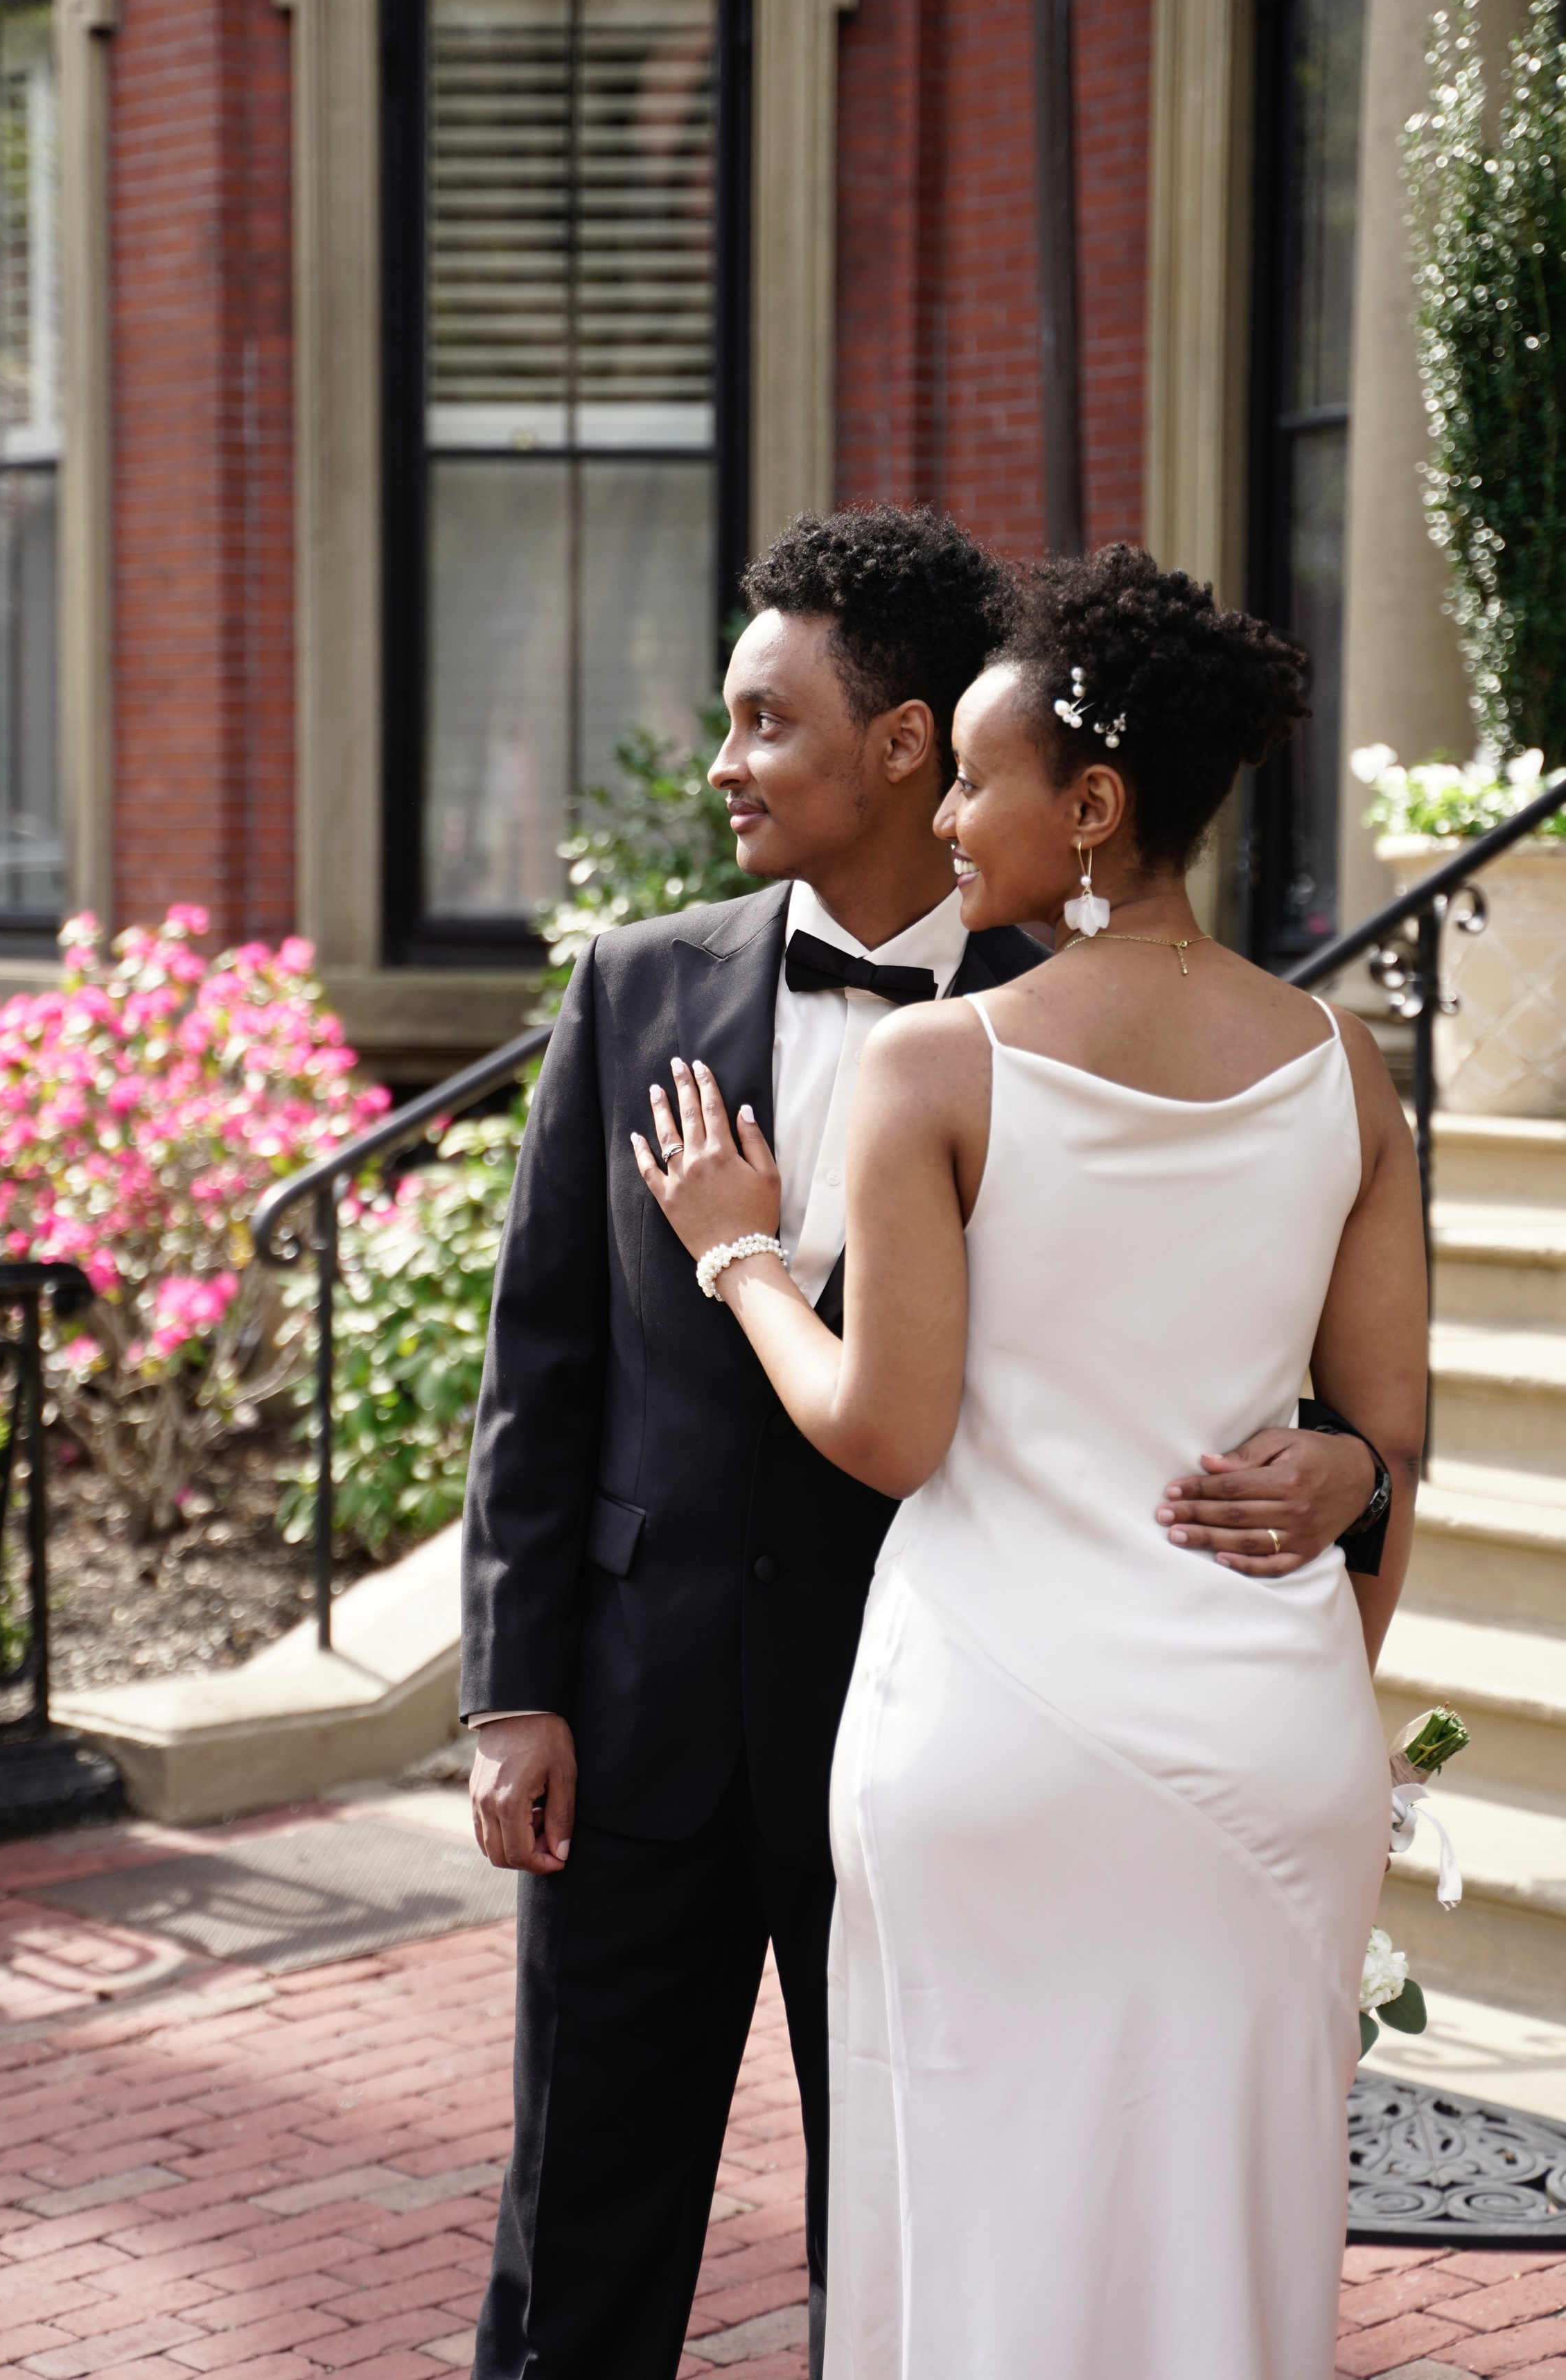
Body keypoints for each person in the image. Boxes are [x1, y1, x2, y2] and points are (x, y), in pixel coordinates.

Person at [461, 511, 1387, 2380]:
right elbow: (541, 1364)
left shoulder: (1068, 1033)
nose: (720, 763)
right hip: (636, 1727)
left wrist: (1350, 1462)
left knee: (915, 2210)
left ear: (906, 749)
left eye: (762, 722)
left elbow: (1209, 1350)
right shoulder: (633, 987)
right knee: (580, 2229)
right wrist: (514, 1689)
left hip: (933, 1714)